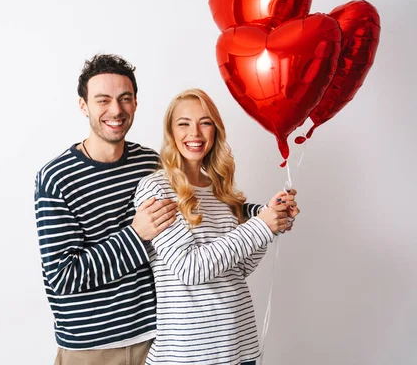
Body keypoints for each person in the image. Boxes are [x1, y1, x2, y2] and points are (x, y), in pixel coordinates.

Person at [35, 55, 290, 365]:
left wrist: (267, 213)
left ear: (135, 104)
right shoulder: (57, 177)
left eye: (124, 98)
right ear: (83, 105)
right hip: (94, 347)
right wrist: (135, 235)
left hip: (155, 335)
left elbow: (209, 209)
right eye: (103, 100)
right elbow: (63, 276)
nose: (115, 110)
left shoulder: (150, 163)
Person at [134, 88, 300, 365]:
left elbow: (239, 268)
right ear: (171, 132)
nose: (195, 133)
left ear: (216, 131)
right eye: (183, 123)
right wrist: (260, 226)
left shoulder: (220, 190)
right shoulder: (156, 187)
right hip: (189, 356)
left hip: (241, 345)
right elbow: (190, 268)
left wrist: (274, 220)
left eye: (205, 122)